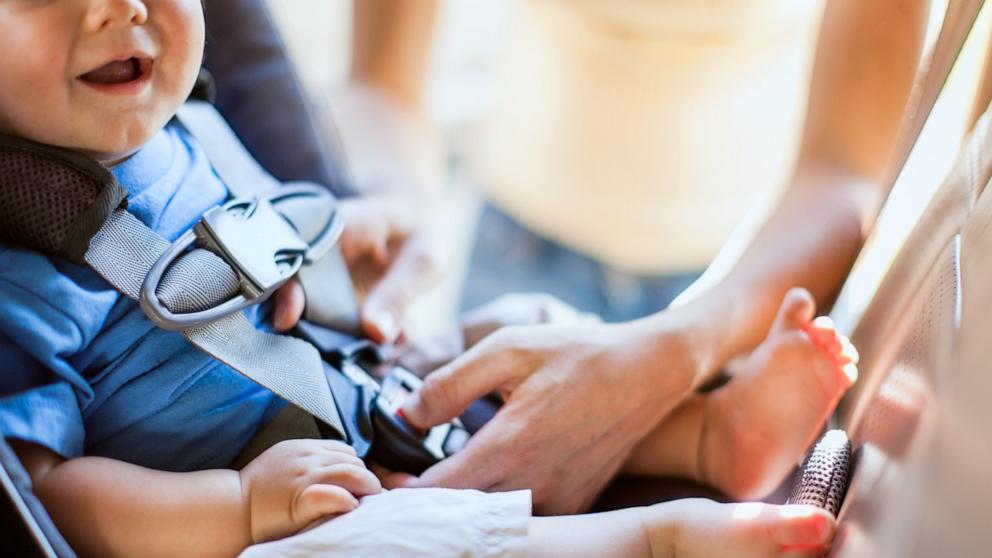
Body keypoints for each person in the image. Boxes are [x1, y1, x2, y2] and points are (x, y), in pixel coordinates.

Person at [0, 0, 845, 556]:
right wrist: (241, 505)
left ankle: (705, 434)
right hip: (263, 512)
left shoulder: (194, 125)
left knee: (511, 328)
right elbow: (48, 495)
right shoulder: (19, 267)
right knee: (393, 544)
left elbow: (269, 235)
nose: (122, 9)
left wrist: (334, 241)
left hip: (355, 389)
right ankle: (659, 541)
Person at [348, 0, 931, 514]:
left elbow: (845, 174)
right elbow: (381, 85)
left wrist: (679, 346)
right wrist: (393, 201)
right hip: (518, 256)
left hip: (746, 291)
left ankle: (715, 431)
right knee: (463, 436)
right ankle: (714, 434)